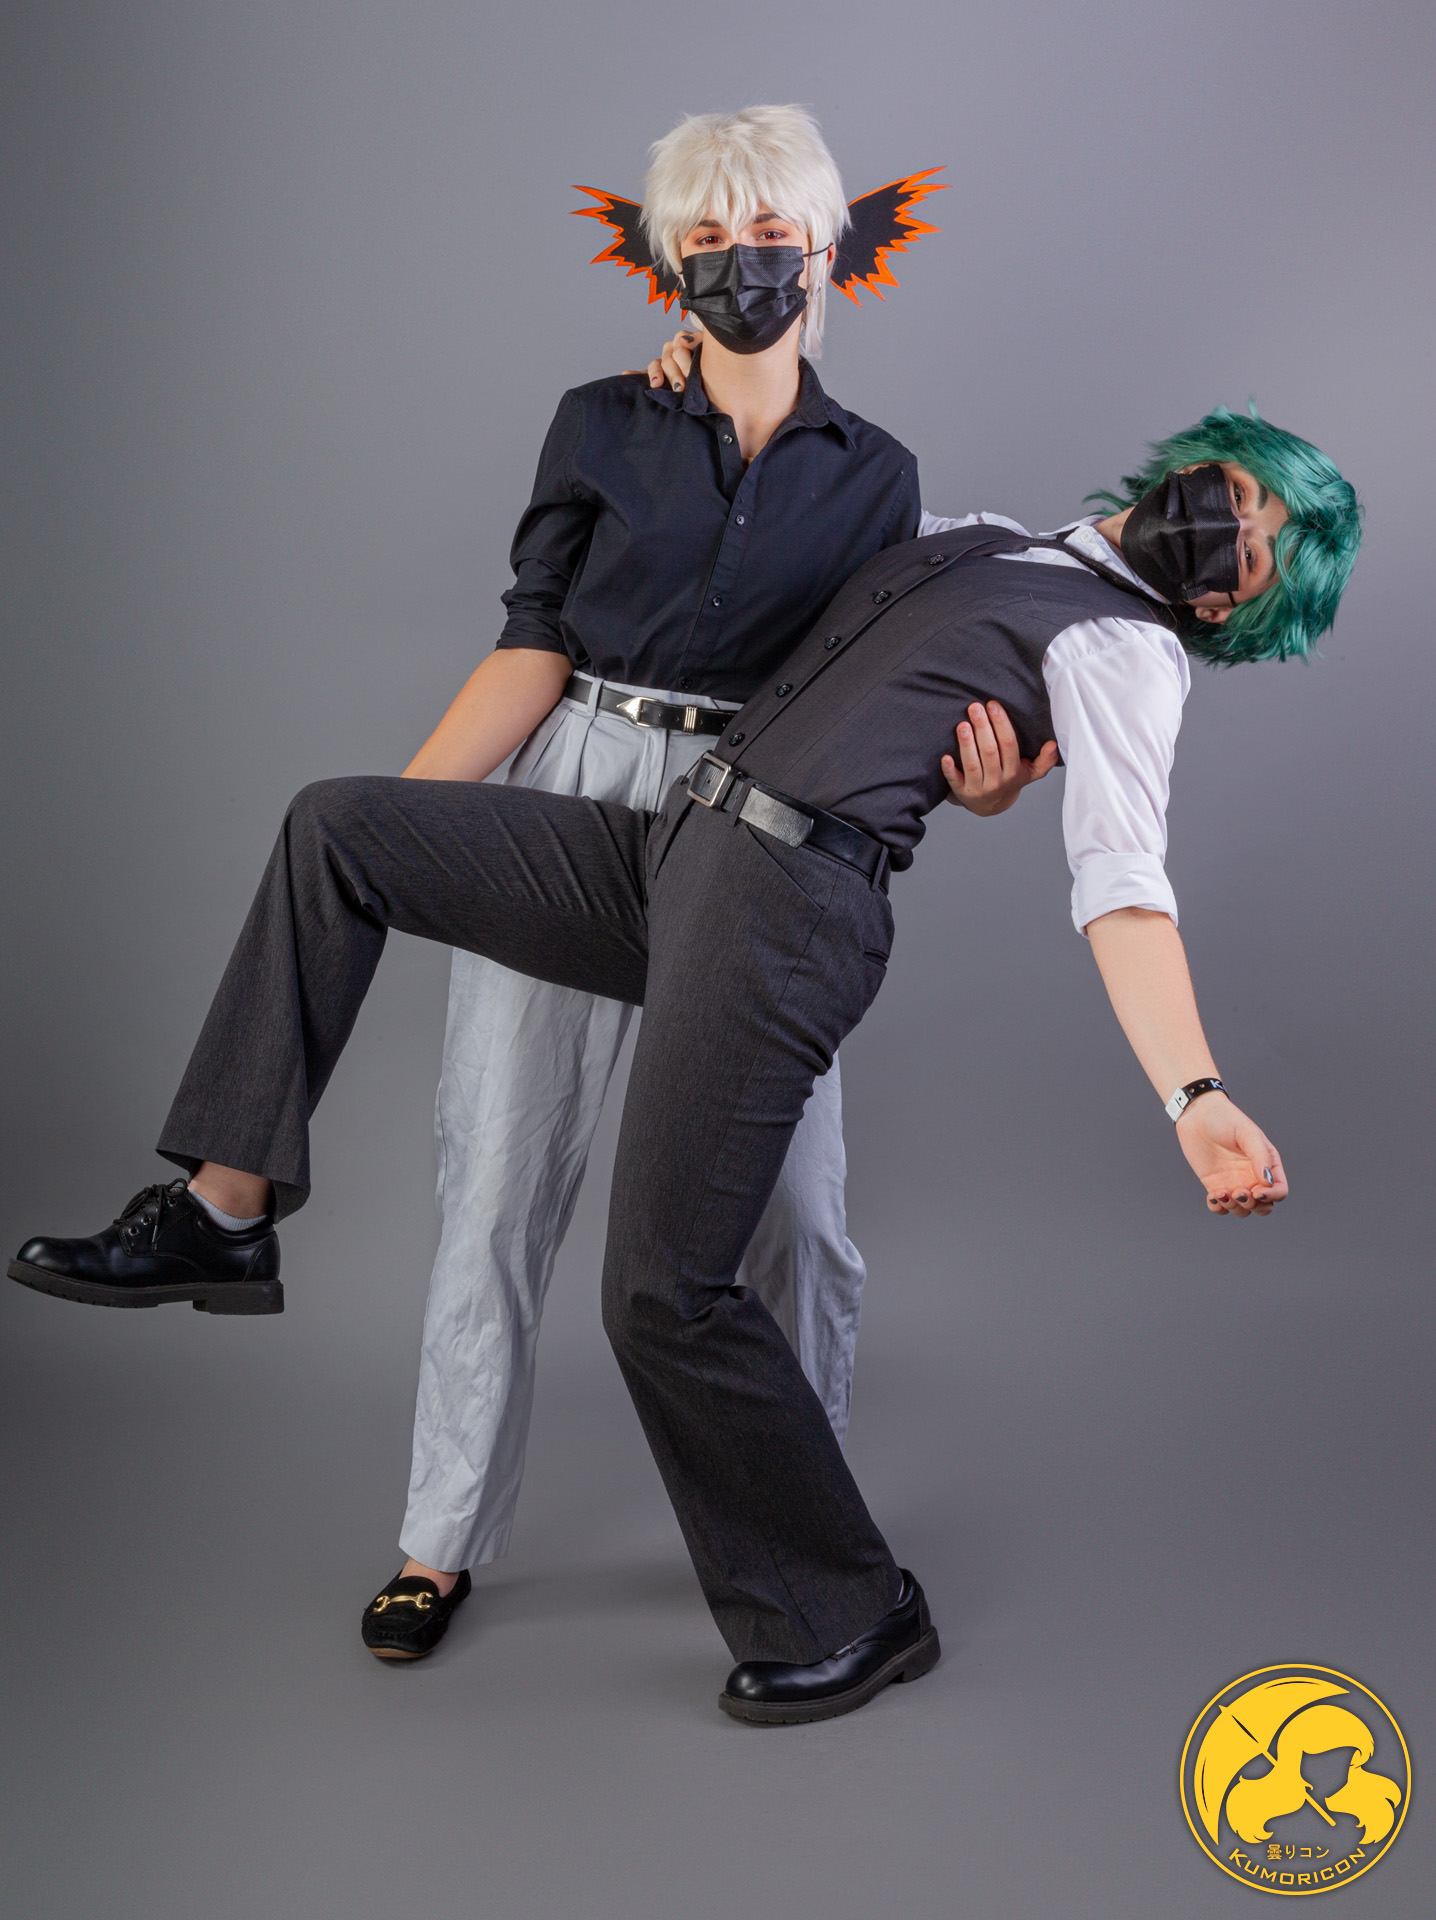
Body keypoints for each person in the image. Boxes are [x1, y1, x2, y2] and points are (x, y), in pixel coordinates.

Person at [10, 407, 1360, 1722]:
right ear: (1204, 458)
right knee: (342, 831)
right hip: (672, 844)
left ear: (1230, 607)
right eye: (1240, 488)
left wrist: (1193, 1094)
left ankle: (854, 1609)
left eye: (1254, 547)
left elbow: (1123, 883)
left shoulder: (1128, 652)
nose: (1227, 519)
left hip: (787, 907)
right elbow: (802, 527)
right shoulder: (990, 535)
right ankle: (224, 1212)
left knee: (663, 1289)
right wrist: (713, 369)